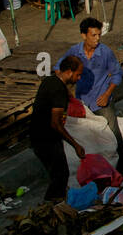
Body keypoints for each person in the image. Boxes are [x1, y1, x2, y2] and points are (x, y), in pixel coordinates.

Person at [60, 18, 123, 170]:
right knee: (89, 137)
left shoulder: (105, 52)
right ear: (84, 35)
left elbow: (117, 74)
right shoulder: (74, 52)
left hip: (102, 101)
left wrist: (107, 94)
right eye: (93, 35)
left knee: (113, 134)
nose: (97, 39)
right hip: (83, 102)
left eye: (99, 35)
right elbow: (59, 68)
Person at [32, 55, 86, 201]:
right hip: (47, 139)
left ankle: (55, 204)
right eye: (78, 74)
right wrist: (75, 145)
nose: (79, 78)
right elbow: (55, 123)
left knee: (59, 175)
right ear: (69, 72)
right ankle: (50, 207)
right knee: (60, 176)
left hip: (37, 137)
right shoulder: (58, 90)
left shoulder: (50, 81)